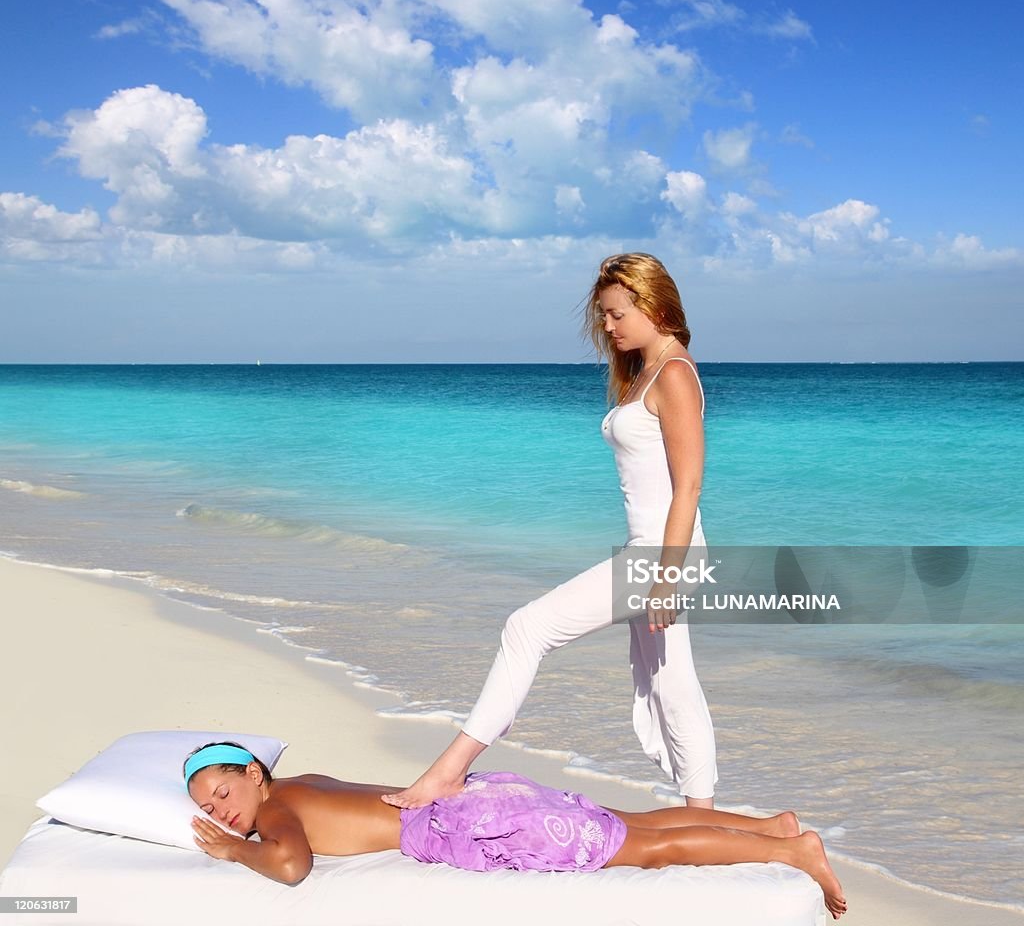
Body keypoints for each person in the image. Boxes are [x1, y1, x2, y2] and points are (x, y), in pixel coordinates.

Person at [382, 253, 717, 811]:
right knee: (671, 682)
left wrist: (666, 576)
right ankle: (701, 814)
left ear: (652, 305)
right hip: (652, 551)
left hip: (664, 555)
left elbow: (689, 487)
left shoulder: (675, 374)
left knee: (527, 628)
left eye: (615, 314)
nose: (607, 327)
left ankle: (449, 769)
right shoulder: (650, 371)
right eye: (604, 316)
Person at [185, 742, 846, 919]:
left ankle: (792, 850)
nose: (223, 812)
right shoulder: (307, 782)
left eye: (223, 793)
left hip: (478, 826)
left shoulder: (274, 814)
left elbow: (291, 865)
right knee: (629, 821)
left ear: (252, 772)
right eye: (211, 811)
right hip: (478, 798)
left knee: (648, 849)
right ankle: (765, 824)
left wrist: (234, 852)